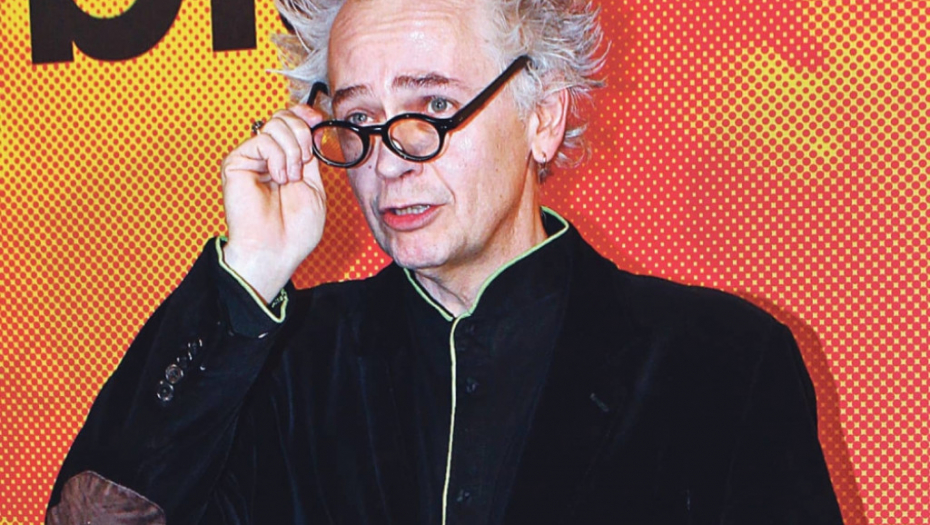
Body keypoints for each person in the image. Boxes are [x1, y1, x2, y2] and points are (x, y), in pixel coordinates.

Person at [46, 0, 844, 523]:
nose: (390, 158)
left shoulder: (721, 362)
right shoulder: (280, 366)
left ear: (543, 117)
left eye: (432, 105)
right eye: (360, 117)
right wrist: (246, 276)